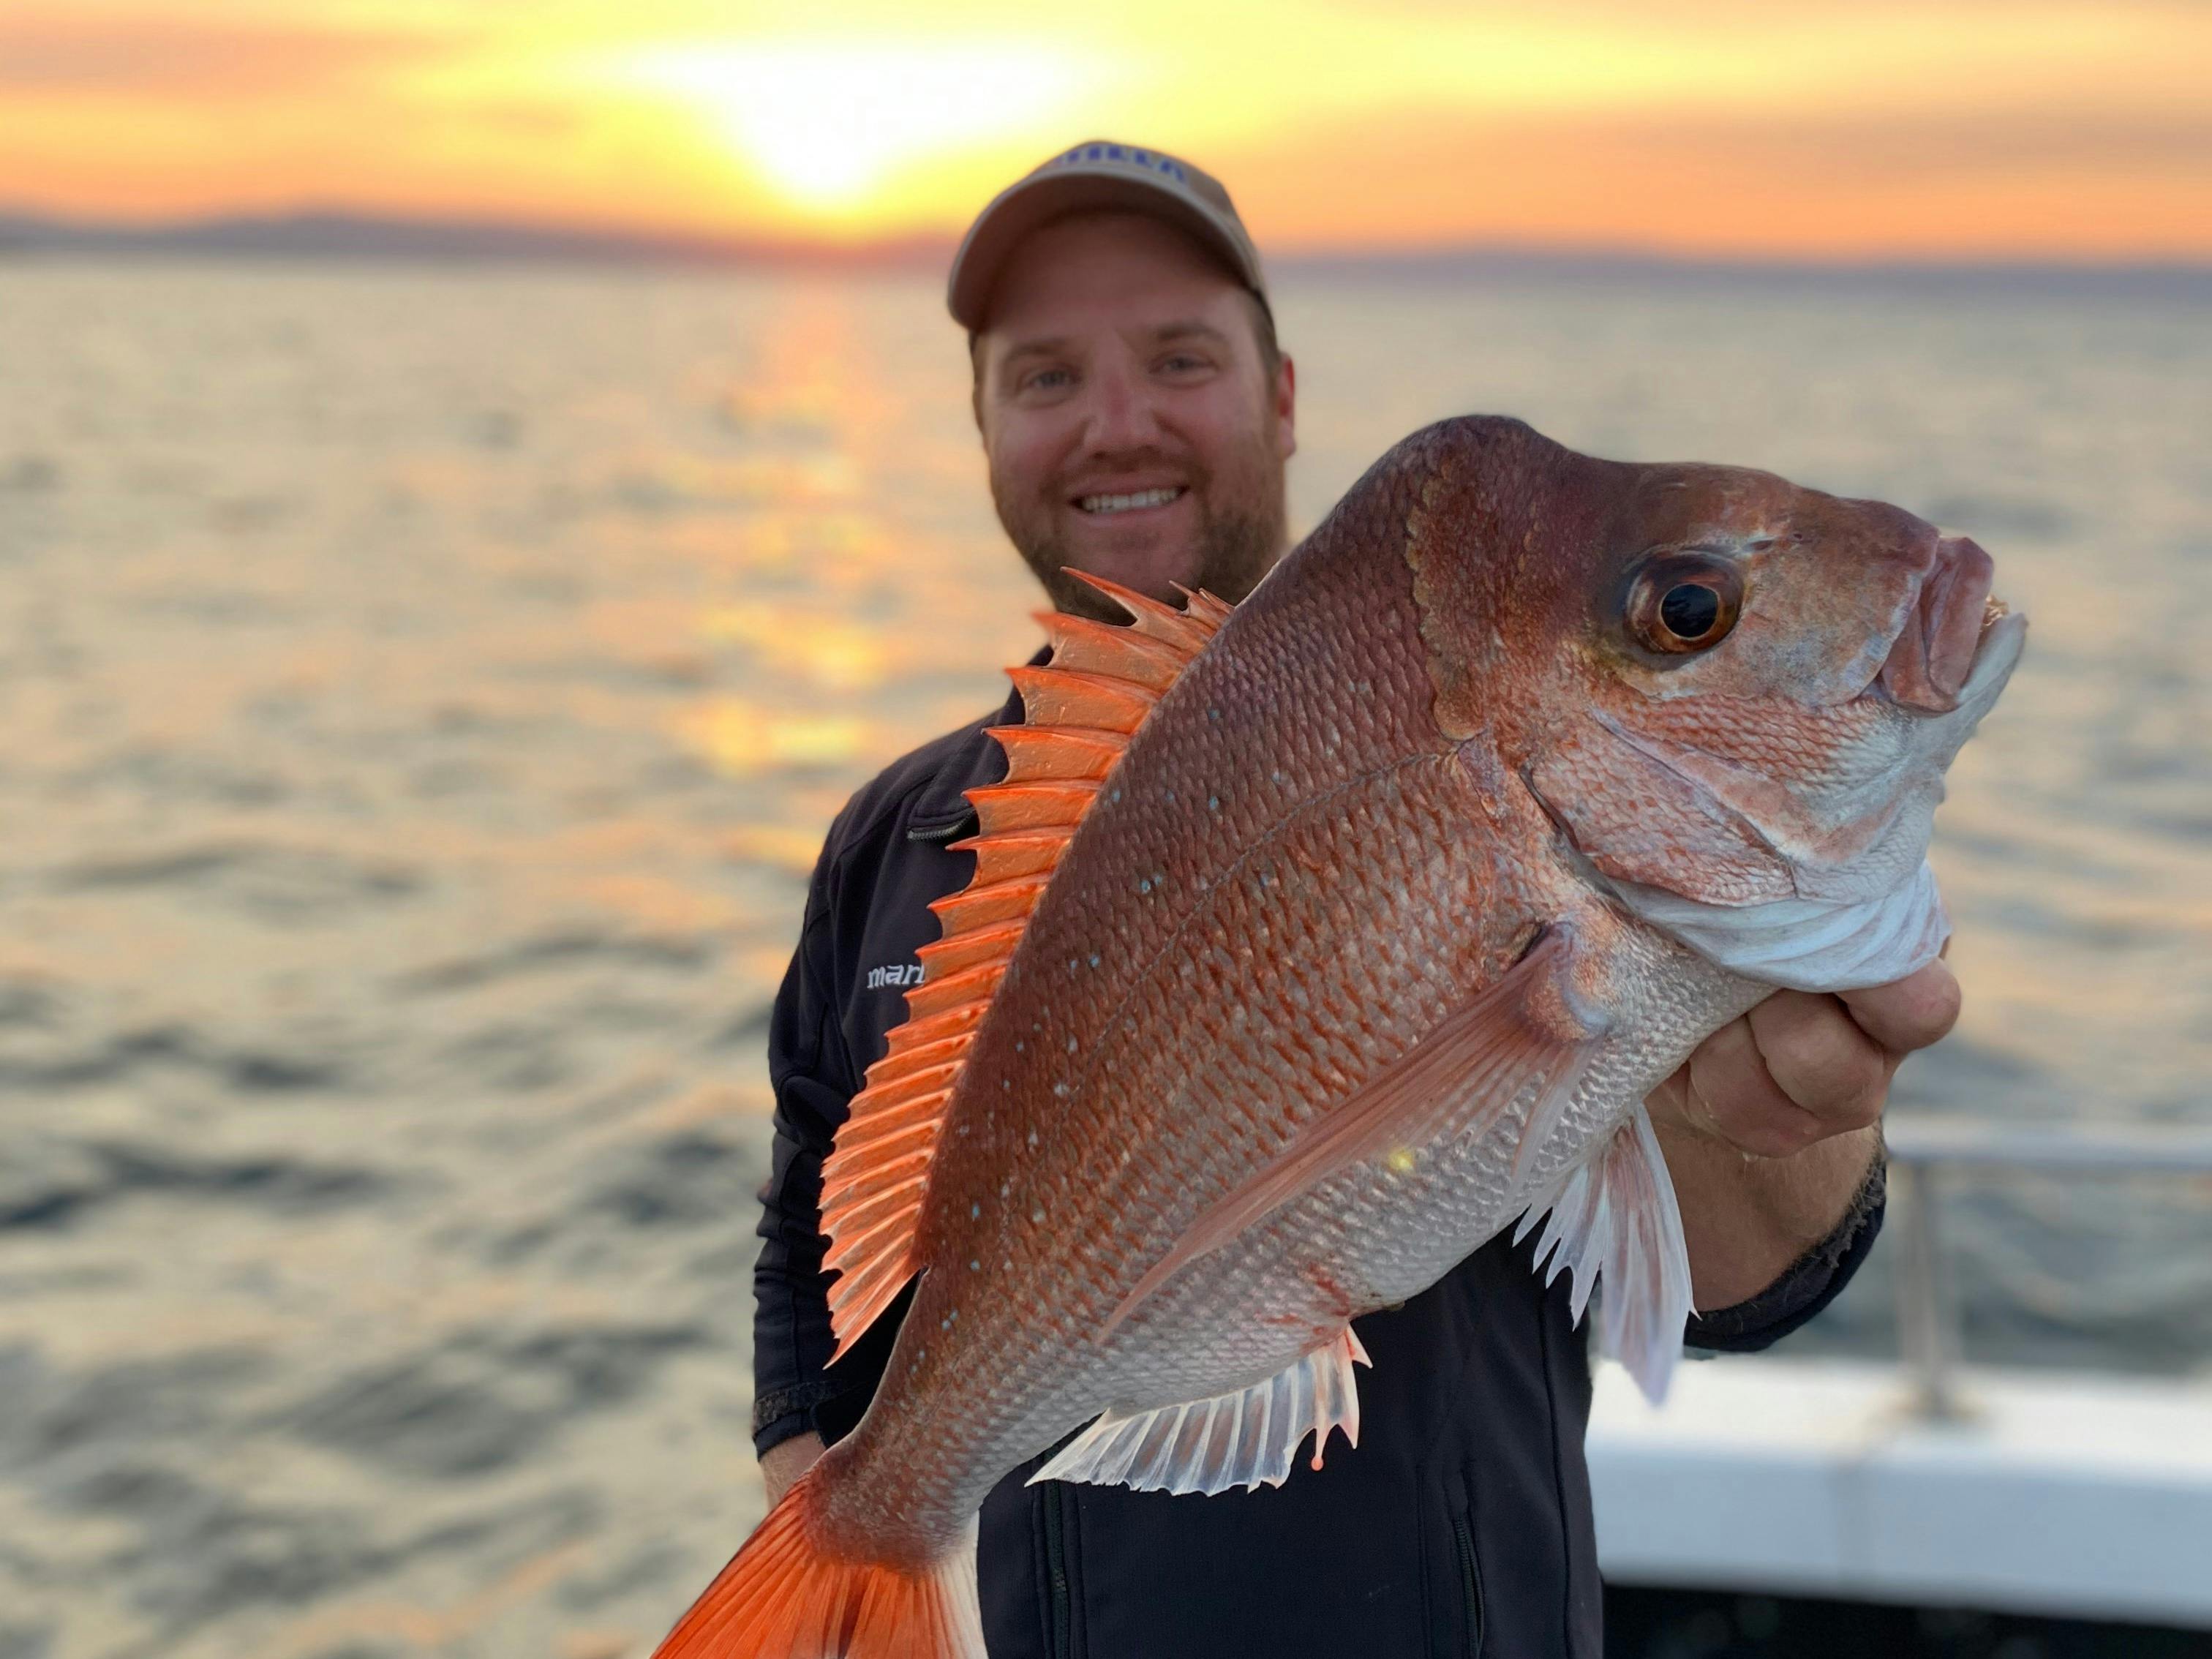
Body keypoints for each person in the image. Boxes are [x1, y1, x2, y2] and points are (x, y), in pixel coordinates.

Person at [749, 140, 1958, 1656]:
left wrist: (1768, 1105)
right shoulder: (898, 840)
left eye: (1180, 356)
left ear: (1282, 393)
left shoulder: (1515, 756)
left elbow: (1744, 1285)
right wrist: (839, 1518)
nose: (1116, 421)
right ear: (985, 428)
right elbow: (813, 1207)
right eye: (1046, 375)